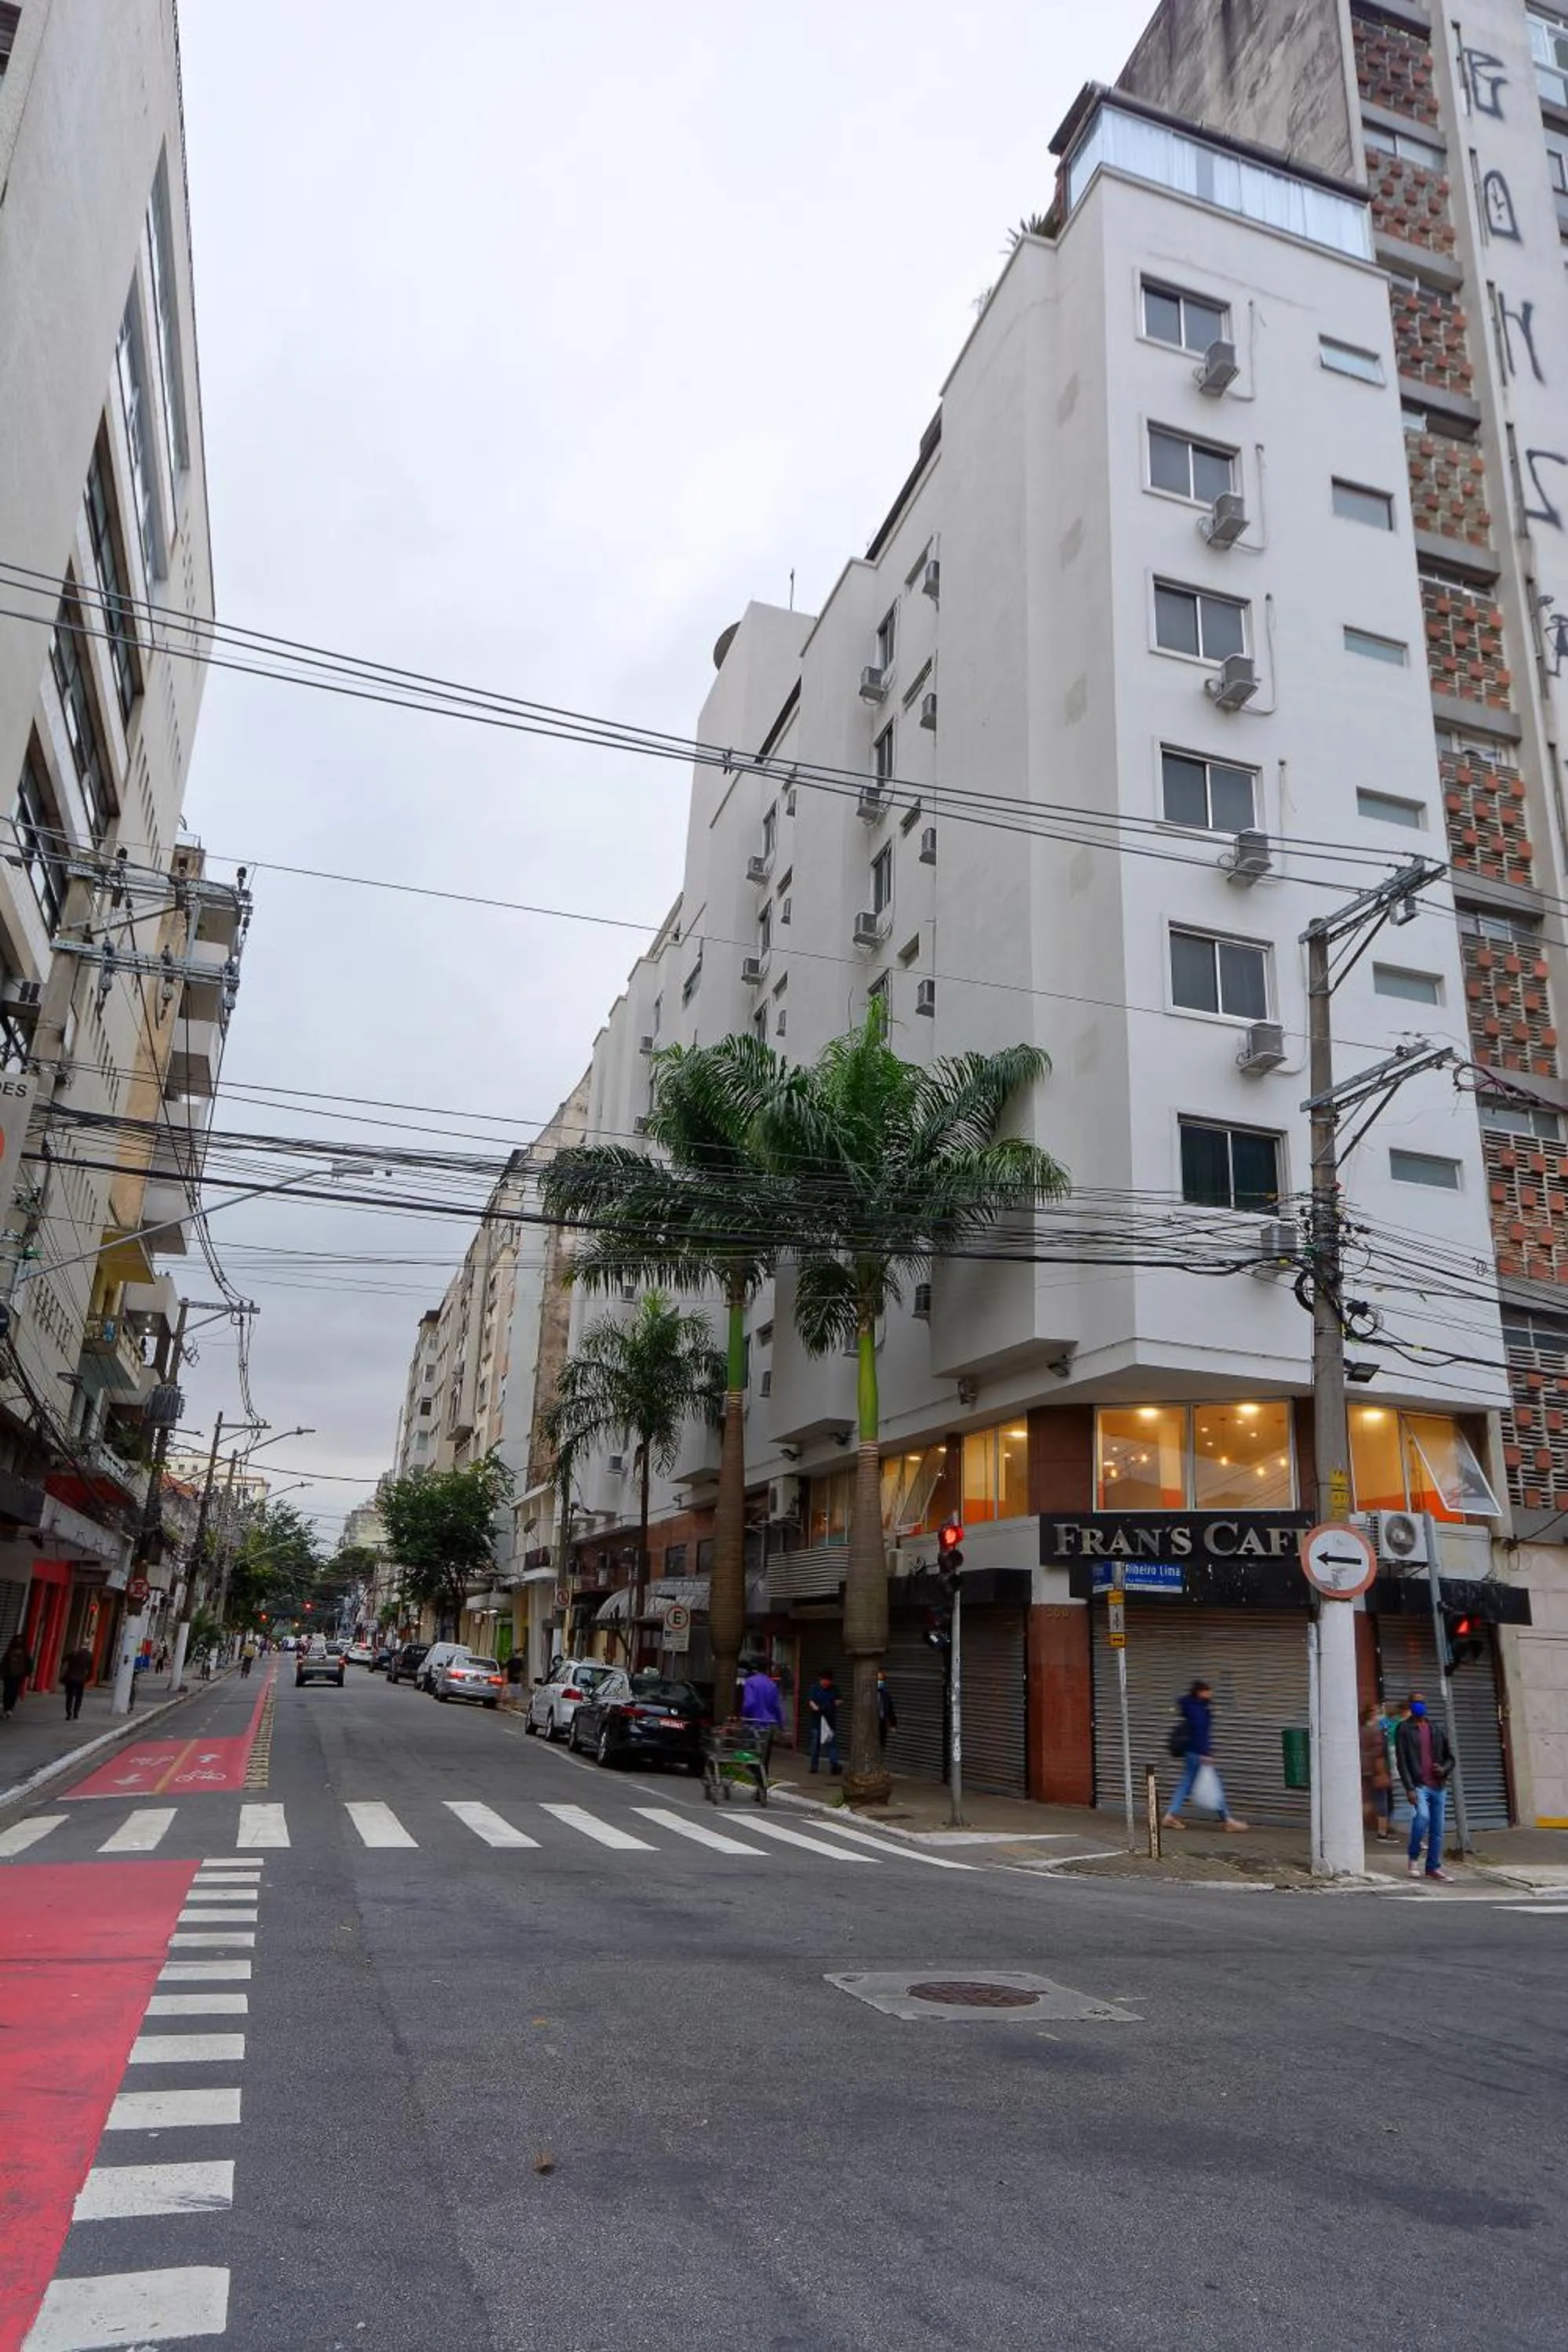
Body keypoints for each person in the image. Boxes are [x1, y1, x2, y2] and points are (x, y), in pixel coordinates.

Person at [1163, 1679, 1247, 1831]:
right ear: (1200, 1692)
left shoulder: (1195, 1706)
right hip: (1198, 1752)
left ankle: (1171, 1815)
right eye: (1208, 1691)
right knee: (1213, 1786)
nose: (1211, 1693)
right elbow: (1199, 1731)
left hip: (1192, 1751)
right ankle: (1228, 1820)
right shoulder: (1197, 1708)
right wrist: (1205, 1753)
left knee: (1187, 1784)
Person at [1396, 1692, 1454, 1882]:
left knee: (1437, 1830)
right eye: (1415, 1702)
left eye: (1421, 1702)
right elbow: (1402, 1761)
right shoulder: (1404, 1729)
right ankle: (1413, 1858)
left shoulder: (1435, 1728)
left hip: (1438, 1786)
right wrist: (1409, 1788)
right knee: (1422, 1817)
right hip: (1419, 1784)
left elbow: (1450, 1758)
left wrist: (1443, 1769)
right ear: (1410, 1706)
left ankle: (1433, 1868)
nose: (1418, 1706)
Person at [739, 1660, 784, 1771]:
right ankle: (762, 1779)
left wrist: (744, 1717)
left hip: (753, 1723)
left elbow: (749, 1704)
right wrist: (780, 1726)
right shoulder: (772, 1684)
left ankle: (752, 1775)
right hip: (769, 1725)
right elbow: (776, 1707)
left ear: (755, 1669)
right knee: (764, 1758)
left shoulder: (751, 1682)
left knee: (749, 1755)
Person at [1360, 1702, 1393, 1841]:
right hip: (1377, 1768)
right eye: (1378, 1712)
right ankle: (1382, 1832)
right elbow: (1380, 1749)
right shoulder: (1377, 1730)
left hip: (1365, 1768)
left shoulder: (1362, 1729)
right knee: (1381, 1800)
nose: (1380, 1715)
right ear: (1373, 1714)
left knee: (1367, 1799)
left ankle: (1358, 1826)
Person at [806, 1669, 840, 1775]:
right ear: (821, 1680)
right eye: (825, 1680)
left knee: (831, 1744)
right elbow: (811, 1701)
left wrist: (833, 1704)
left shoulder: (834, 1689)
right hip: (817, 1721)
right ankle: (814, 1766)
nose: (826, 1682)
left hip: (830, 1721)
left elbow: (839, 1700)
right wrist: (816, 1708)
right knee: (815, 1744)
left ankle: (834, 1765)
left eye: (829, 1680)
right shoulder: (815, 1688)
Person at [2, 1632, 34, 1719]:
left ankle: (9, 1708)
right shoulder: (10, 1651)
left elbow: (28, 1663)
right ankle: (7, 1708)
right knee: (8, 1691)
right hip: (9, 1674)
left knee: (13, 1691)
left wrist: (28, 1672)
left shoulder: (24, 1652)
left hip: (18, 1675)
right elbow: (5, 1663)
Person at [61, 1642, 93, 1722]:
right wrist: (88, 1679)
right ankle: (76, 1713)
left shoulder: (74, 1653)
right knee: (79, 1697)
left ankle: (68, 1714)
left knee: (69, 1697)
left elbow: (64, 1659)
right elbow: (90, 1668)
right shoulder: (89, 1655)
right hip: (80, 1679)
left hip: (71, 1678)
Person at [876, 1669, 899, 1755]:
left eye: (882, 1680)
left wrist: (893, 1724)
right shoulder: (870, 1694)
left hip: (882, 1722)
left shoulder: (885, 1694)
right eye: (879, 1680)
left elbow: (890, 1709)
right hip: (872, 1722)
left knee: (881, 1744)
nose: (880, 1683)